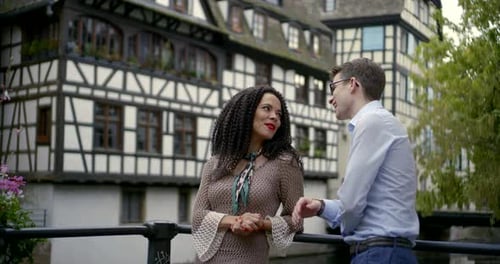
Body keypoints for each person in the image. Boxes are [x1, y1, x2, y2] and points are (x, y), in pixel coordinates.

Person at [292, 58, 420, 264]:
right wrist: (320, 206)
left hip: (379, 254)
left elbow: (351, 204)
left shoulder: (372, 122)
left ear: (353, 84)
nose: (330, 98)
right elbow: (359, 204)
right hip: (388, 252)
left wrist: (347, 228)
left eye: (333, 87)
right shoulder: (383, 122)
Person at [192, 85, 304, 263]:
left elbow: (296, 221)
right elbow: (197, 216)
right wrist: (233, 221)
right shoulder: (215, 163)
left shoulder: (285, 164)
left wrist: (261, 224)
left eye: (279, 114)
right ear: (245, 112)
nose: (274, 116)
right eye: (266, 108)